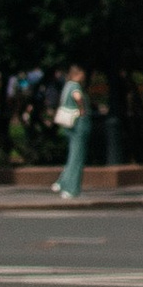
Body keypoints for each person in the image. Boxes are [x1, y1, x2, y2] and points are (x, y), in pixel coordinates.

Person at [52, 62, 91, 201]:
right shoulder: (75, 86)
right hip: (78, 124)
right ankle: (70, 189)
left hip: (69, 125)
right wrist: (82, 110)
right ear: (77, 74)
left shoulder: (67, 85)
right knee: (77, 157)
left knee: (72, 155)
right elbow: (78, 97)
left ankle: (62, 182)